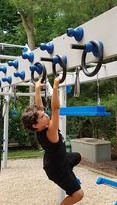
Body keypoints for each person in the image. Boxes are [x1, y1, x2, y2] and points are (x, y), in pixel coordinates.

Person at [21, 77, 84, 205]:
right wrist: (55, 86)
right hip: (57, 170)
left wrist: (37, 88)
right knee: (78, 194)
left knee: (78, 157)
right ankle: (69, 182)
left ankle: (70, 177)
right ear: (35, 125)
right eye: (43, 116)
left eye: (44, 113)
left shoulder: (40, 127)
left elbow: (39, 107)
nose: (46, 115)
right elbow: (55, 109)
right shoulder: (50, 132)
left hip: (60, 160)